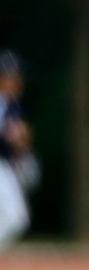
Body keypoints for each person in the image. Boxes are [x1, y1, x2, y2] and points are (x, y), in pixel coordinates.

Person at [0, 49, 36, 251]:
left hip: (4, 166)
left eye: (15, 76)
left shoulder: (13, 105)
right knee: (15, 217)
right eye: (7, 76)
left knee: (16, 218)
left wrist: (22, 141)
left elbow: (20, 140)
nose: (12, 81)